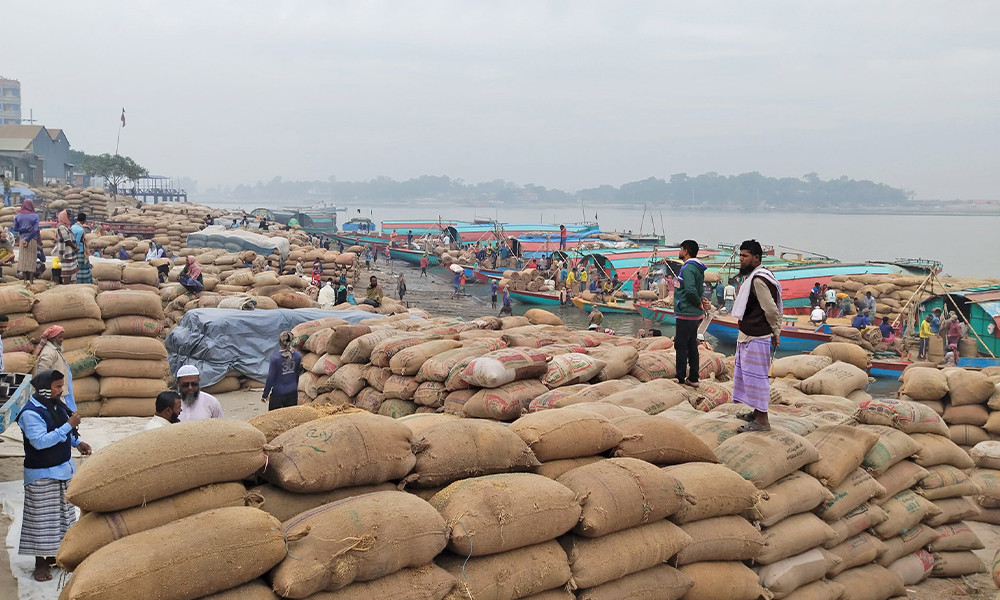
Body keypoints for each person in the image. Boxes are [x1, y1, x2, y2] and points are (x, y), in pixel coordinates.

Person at [18, 369, 91, 582]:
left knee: (61, 518)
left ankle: (55, 556)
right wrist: (69, 425)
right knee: (41, 520)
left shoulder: (56, 405)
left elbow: (61, 430)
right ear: (44, 389)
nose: (61, 391)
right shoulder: (30, 413)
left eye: (61, 386)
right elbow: (40, 442)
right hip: (42, 474)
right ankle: (40, 563)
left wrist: (77, 443)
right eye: (57, 387)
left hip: (62, 470)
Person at [731, 239, 783, 433]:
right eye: (741, 256)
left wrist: (776, 332)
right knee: (748, 376)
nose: (741, 260)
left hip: (757, 336)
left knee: (757, 379)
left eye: (745, 256)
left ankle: (762, 421)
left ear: (756, 258)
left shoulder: (759, 279)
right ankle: (756, 412)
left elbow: (771, 309)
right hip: (749, 334)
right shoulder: (757, 276)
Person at [674, 240, 709, 388]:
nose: (679, 252)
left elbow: (689, 290)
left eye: (681, 249)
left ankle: (681, 378)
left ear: (686, 251)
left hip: (687, 312)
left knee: (681, 345)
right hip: (694, 314)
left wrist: (697, 303)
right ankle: (693, 377)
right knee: (691, 345)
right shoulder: (697, 268)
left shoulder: (688, 268)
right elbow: (697, 289)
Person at [33, 326, 77, 411]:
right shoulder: (48, 353)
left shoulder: (54, 350)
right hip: (54, 393)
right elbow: (42, 374)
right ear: (52, 338)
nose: (62, 339)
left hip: (60, 390)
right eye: (59, 337)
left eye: (62, 337)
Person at [262, 331, 302, 411]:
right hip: (292, 392)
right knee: (291, 418)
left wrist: (265, 394)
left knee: (274, 418)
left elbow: (271, 378)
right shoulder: (297, 356)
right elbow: (298, 373)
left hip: (278, 393)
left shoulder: (275, 358)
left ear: (280, 342)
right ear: (291, 341)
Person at [13, 199, 41, 283]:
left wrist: (24, 230)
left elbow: (15, 228)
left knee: (24, 259)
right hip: (32, 239)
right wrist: (28, 238)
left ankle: (25, 280)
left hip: (22, 239)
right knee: (32, 259)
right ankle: (31, 281)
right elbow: (35, 229)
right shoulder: (35, 216)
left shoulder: (18, 216)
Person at [55, 212, 80, 285]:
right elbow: (67, 240)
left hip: (70, 253)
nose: (69, 218)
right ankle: (66, 287)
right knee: (67, 273)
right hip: (66, 253)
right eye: (68, 216)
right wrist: (75, 247)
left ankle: (68, 286)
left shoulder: (67, 227)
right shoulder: (61, 227)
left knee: (70, 272)